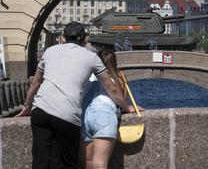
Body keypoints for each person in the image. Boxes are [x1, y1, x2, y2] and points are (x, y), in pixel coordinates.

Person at [16, 21, 135, 168]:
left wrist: (27, 106)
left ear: (63, 37)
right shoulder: (91, 57)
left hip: (40, 111)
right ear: (84, 39)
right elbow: (111, 88)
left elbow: (35, 83)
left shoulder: (49, 51)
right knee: (67, 162)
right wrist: (126, 107)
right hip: (66, 114)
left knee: (40, 160)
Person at [81, 50, 142, 169]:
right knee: (100, 163)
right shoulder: (116, 77)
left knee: (88, 161)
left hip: (84, 116)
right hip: (104, 116)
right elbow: (121, 99)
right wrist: (127, 108)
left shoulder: (87, 76)